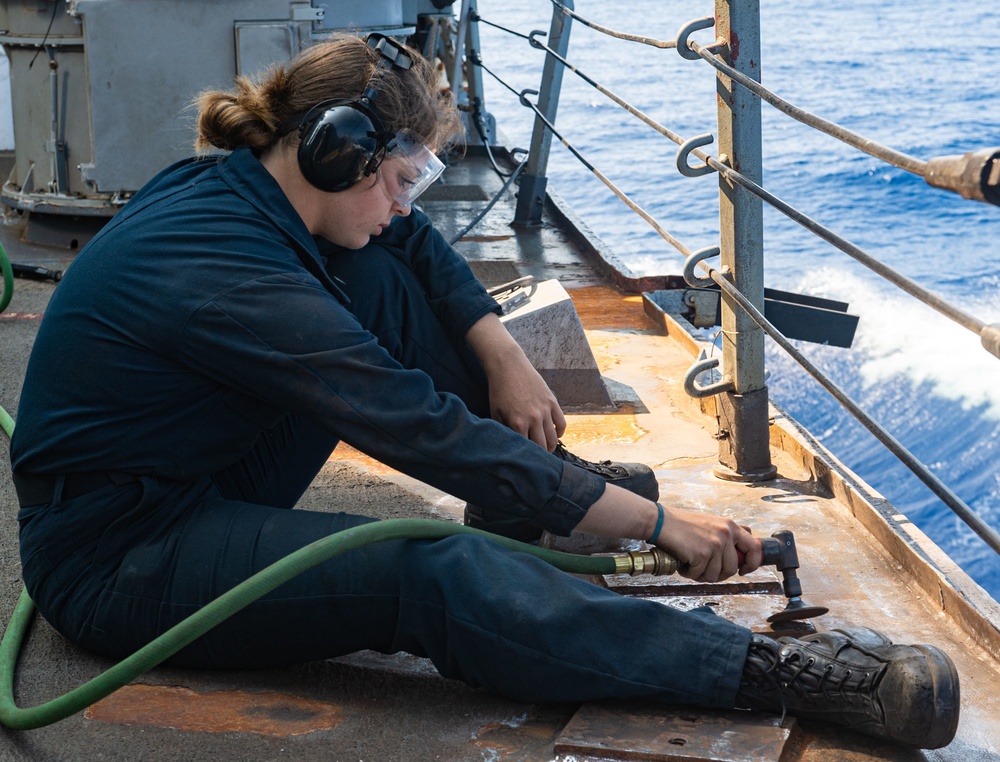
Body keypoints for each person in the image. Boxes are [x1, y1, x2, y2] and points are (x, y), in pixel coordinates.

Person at [9, 34, 958, 749]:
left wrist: (497, 346)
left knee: (379, 271)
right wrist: (650, 524)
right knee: (428, 572)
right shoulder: (226, 271)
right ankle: (765, 669)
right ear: (341, 155)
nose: (405, 207)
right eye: (403, 181)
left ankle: (536, 507)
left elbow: (408, 246)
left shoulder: (260, 189)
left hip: (191, 475)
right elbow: (413, 425)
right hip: (120, 559)